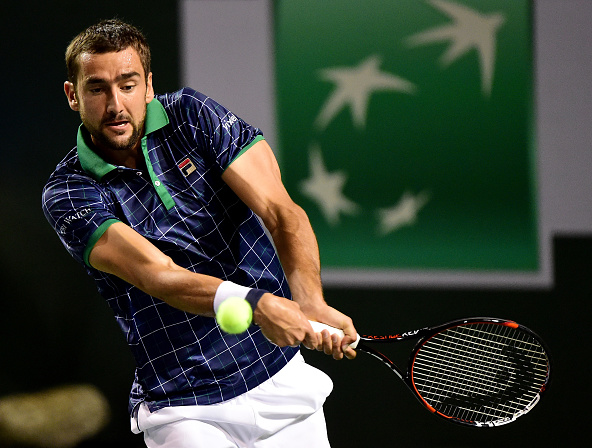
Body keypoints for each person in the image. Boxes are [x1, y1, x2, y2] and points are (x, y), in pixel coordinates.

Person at [42, 19, 357, 448]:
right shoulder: (68, 191)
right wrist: (259, 304)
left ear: (149, 86)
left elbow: (281, 212)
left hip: (280, 380)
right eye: (97, 89)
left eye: (128, 84)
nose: (116, 104)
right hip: (184, 406)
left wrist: (310, 300)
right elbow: (159, 276)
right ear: (72, 95)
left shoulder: (191, 115)